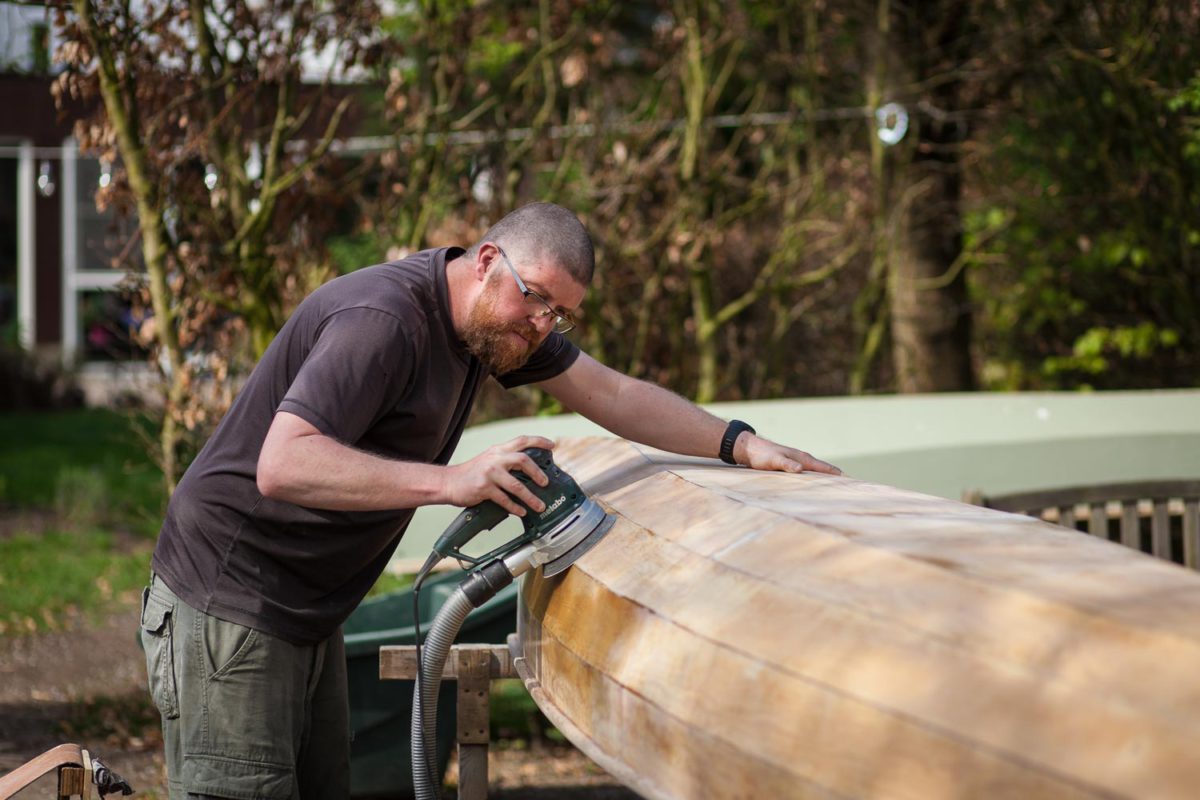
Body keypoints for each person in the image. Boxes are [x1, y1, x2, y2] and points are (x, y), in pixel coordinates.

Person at [140, 202, 840, 799]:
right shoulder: (382, 323)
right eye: (536, 299)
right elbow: (283, 462)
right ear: (485, 261)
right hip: (228, 599)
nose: (541, 326)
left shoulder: (496, 330)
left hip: (307, 607)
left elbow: (614, 395)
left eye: (560, 315)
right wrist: (452, 481)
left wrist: (742, 445)